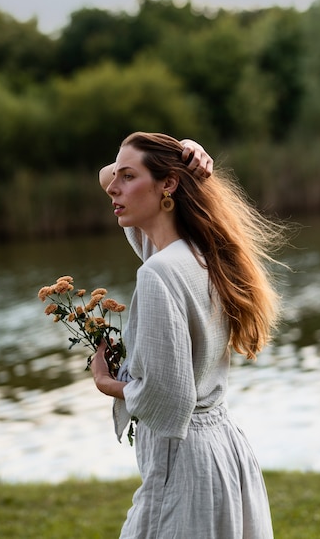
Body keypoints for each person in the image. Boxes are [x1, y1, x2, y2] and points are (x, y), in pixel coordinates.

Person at [90, 132, 282, 539]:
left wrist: (110, 384)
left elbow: (168, 396)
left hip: (185, 465)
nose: (113, 187)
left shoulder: (159, 271)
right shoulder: (199, 252)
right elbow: (108, 176)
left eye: (128, 177)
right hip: (223, 451)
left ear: (168, 185)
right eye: (117, 177)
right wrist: (181, 151)